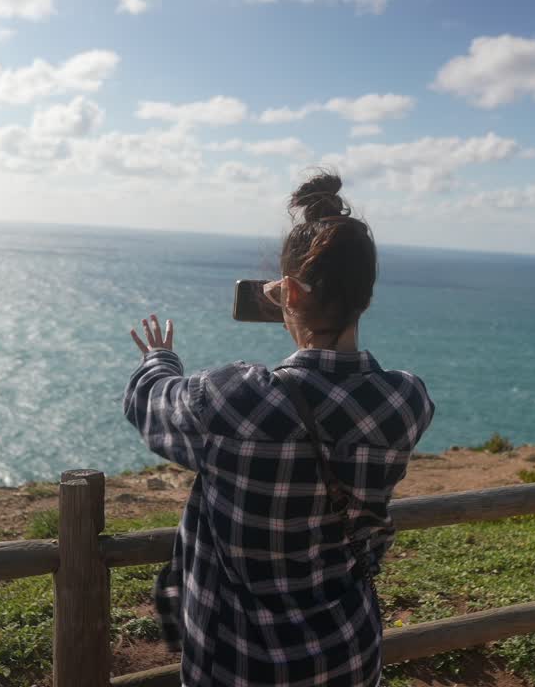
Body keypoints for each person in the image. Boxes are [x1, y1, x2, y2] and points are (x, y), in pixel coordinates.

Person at [123, 172, 435, 686]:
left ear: (286, 290)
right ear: (366, 297)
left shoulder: (233, 399)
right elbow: (330, 384)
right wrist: (301, 310)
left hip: (237, 663)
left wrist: (159, 359)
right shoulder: (405, 402)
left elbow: (148, 405)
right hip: (347, 655)